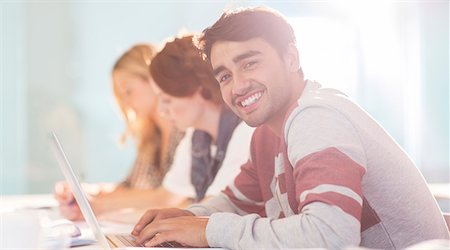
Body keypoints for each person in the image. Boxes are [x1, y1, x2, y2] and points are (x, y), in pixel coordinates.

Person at [131, 6, 450, 249]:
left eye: (249, 63)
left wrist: (207, 229)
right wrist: (185, 219)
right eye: (225, 75)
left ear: (291, 57)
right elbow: (235, 202)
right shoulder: (266, 135)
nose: (237, 85)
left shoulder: (317, 116)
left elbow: (331, 236)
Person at [55, 44, 184, 221]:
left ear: (152, 79)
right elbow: (130, 187)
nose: (125, 102)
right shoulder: (151, 137)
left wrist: (97, 204)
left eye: (128, 91)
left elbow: (170, 198)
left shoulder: (187, 132)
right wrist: (87, 192)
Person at [149, 34, 254, 203]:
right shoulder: (196, 136)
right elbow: (166, 199)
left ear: (200, 91)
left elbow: (211, 210)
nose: (161, 110)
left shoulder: (246, 132)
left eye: (167, 100)